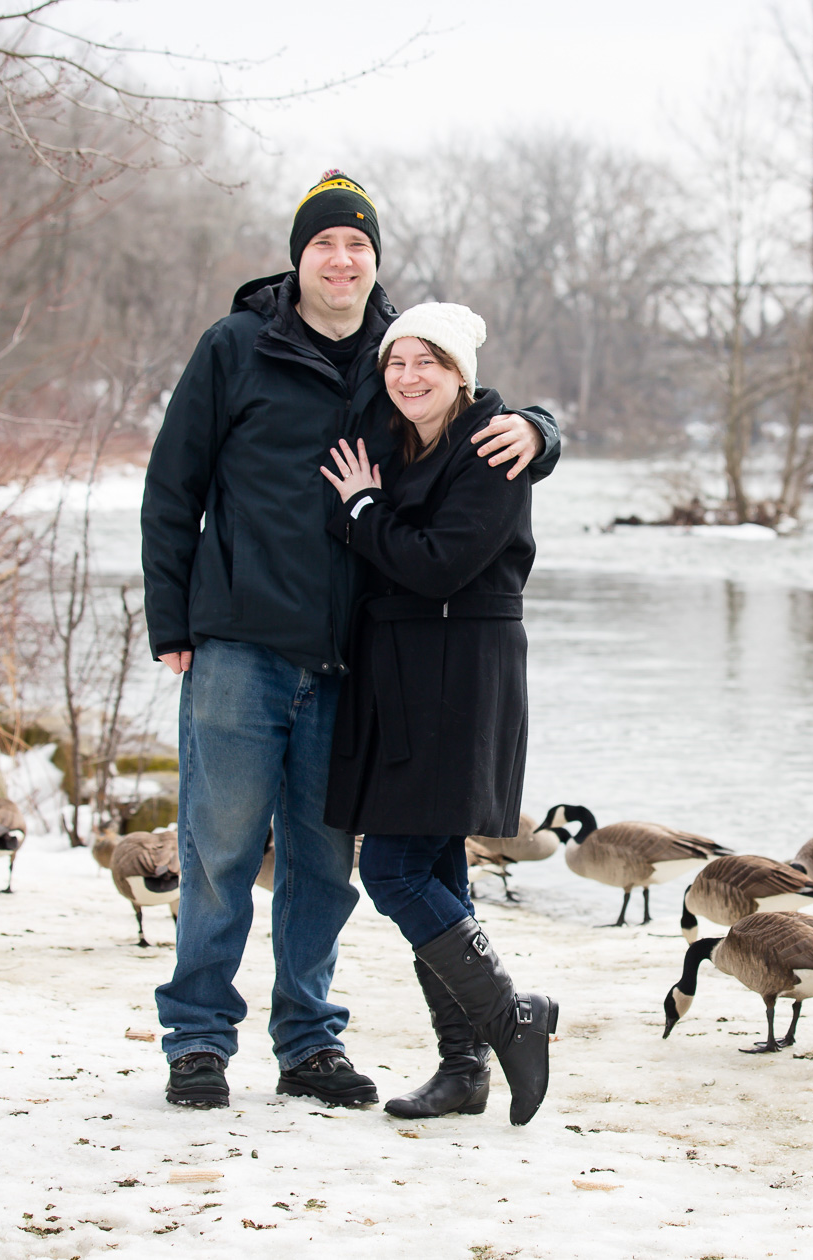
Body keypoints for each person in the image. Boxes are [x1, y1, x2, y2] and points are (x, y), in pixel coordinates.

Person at [140, 171, 560, 1111]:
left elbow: (474, 419)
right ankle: (200, 1042)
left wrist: (542, 429)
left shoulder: (397, 352)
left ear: (376, 262)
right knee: (219, 852)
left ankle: (309, 1044)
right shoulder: (236, 348)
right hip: (240, 644)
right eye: (325, 243)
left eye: (359, 246)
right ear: (299, 257)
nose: (342, 259)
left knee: (325, 868)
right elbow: (174, 487)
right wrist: (172, 619)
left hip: (354, 664)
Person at [318, 302, 557, 1126]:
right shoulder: (405, 442)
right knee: (438, 872)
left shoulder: (492, 447)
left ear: (462, 374)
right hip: (403, 674)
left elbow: (437, 565)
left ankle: (512, 1015)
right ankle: (464, 1068)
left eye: (429, 362)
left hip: (459, 676)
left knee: (392, 870)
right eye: (396, 363)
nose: (409, 376)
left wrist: (361, 514)